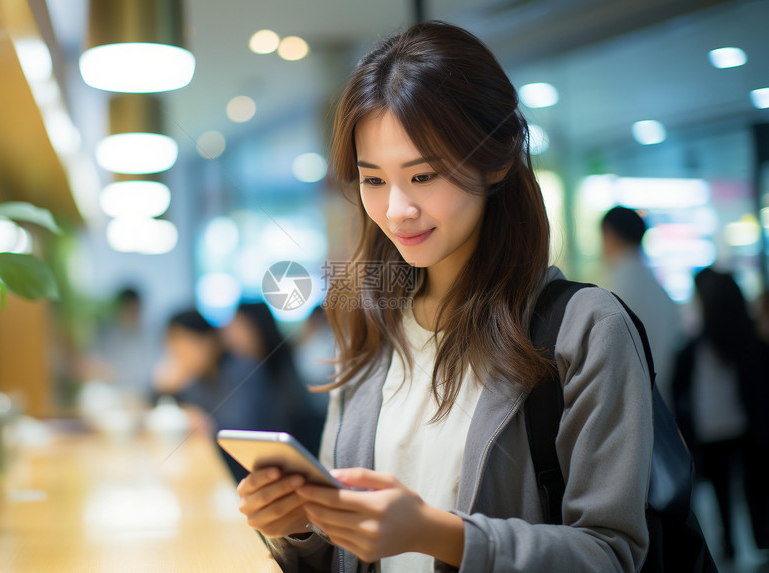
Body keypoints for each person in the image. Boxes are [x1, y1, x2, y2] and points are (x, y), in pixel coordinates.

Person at [235, 21, 653, 572]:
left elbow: (612, 555)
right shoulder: (369, 325)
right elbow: (342, 553)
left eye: (424, 175)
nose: (396, 210)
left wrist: (440, 534)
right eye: (374, 181)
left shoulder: (585, 329)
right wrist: (298, 529)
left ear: (498, 159)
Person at [671, 268, 769, 558]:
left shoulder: (695, 349)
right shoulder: (752, 346)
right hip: (745, 428)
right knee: (754, 486)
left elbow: (681, 391)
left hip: (713, 429)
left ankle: (730, 543)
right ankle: (758, 540)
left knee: (722, 490)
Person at [152, 309, 284, 480]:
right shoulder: (197, 377)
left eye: (184, 347)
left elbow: (239, 430)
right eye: (174, 350)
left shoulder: (243, 371)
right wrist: (162, 388)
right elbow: (166, 409)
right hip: (222, 467)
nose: (180, 357)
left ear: (209, 341)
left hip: (257, 473)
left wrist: (203, 422)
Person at [599, 206, 684, 408]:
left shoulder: (607, 291)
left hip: (624, 414)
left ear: (609, 234)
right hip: (662, 408)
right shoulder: (662, 291)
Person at [222, 301, 325, 454]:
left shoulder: (279, 374)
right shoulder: (241, 368)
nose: (229, 337)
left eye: (238, 328)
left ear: (258, 328)